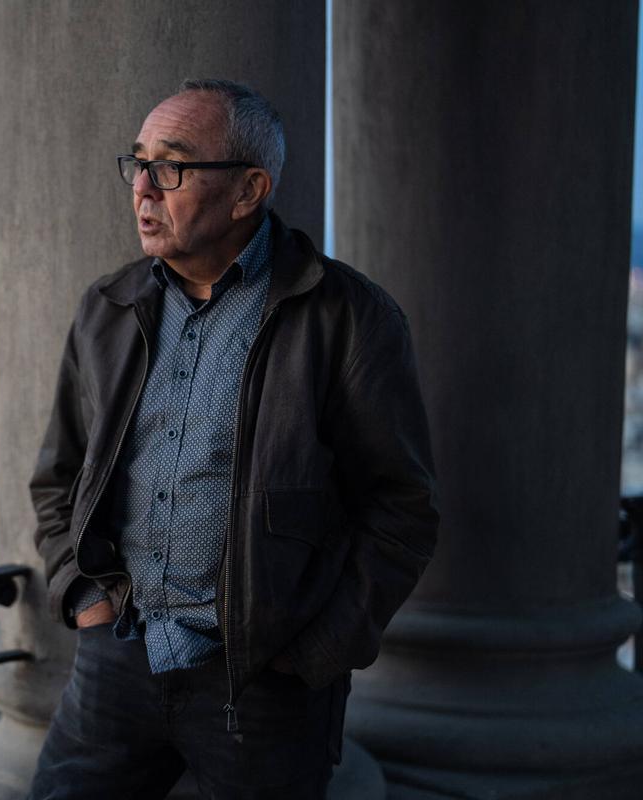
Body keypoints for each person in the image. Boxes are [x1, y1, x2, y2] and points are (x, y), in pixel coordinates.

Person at [26, 78, 439, 799]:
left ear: (249, 191)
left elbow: (401, 510)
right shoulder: (109, 307)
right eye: (138, 163)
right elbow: (59, 477)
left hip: (262, 683)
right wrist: (85, 600)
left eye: (173, 166)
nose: (144, 189)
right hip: (116, 660)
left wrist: (315, 653)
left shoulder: (346, 317)